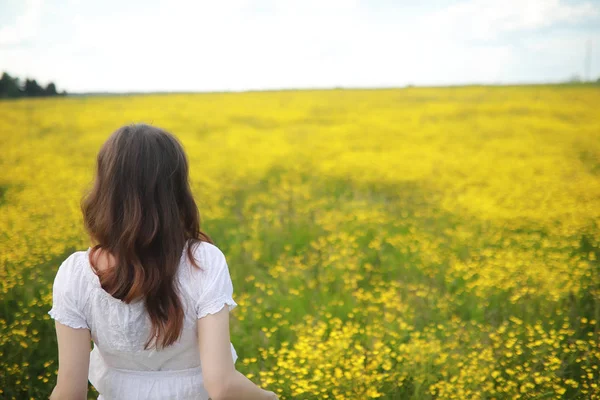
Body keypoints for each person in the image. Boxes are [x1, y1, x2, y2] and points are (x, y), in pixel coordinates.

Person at [47, 123, 278, 400]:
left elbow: (69, 393)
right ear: (176, 190)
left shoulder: (75, 274)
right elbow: (223, 385)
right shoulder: (203, 261)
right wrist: (269, 397)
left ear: (105, 188)